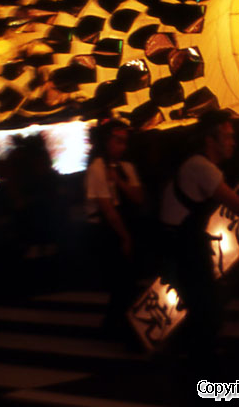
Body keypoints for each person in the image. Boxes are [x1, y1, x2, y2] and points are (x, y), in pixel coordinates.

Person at [160, 109, 239, 369]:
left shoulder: (199, 165)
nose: (233, 142)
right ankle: (199, 368)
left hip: (182, 242)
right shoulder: (201, 167)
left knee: (203, 304)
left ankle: (188, 357)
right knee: (206, 306)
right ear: (211, 140)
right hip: (182, 245)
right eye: (228, 136)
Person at [85, 118, 145, 341]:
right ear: (105, 141)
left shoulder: (126, 168)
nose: (122, 146)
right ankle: (121, 329)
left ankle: (113, 327)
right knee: (123, 283)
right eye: (117, 141)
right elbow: (107, 209)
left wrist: (118, 180)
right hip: (107, 232)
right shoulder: (96, 169)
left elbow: (139, 198)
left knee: (126, 284)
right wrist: (124, 237)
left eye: (124, 141)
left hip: (124, 227)